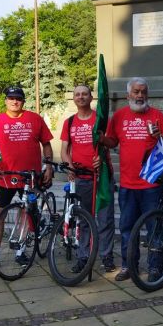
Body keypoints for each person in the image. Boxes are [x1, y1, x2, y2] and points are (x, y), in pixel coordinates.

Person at [99, 77, 163, 281]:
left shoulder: (157, 115)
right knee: (127, 228)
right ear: (128, 95)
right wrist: (102, 139)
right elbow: (112, 141)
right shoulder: (119, 116)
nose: (140, 95)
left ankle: (155, 267)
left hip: (151, 183)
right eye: (136, 92)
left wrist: (160, 136)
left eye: (143, 92)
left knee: (154, 228)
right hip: (127, 184)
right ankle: (129, 266)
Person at [0, 87, 54, 271]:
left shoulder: (34, 119)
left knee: (26, 213)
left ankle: (20, 252)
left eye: (18, 98)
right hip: (5, 177)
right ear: (6, 100)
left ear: (23, 101)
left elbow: (46, 144)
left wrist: (49, 166)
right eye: (11, 98)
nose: (15, 101)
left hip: (30, 177)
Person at [60, 85, 116, 273]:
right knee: (83, 220)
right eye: (77, 94)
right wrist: (69, 165)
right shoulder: (69, 122)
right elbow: (64, 149)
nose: (81, 97)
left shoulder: (101, 120)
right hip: (81, 177)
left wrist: (102, 152)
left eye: (85, 94)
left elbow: (111, 142)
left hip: (102, 177)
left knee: (105, 219)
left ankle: (107, 256)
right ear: (74, 98)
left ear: (91, 97)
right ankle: (83, 257)